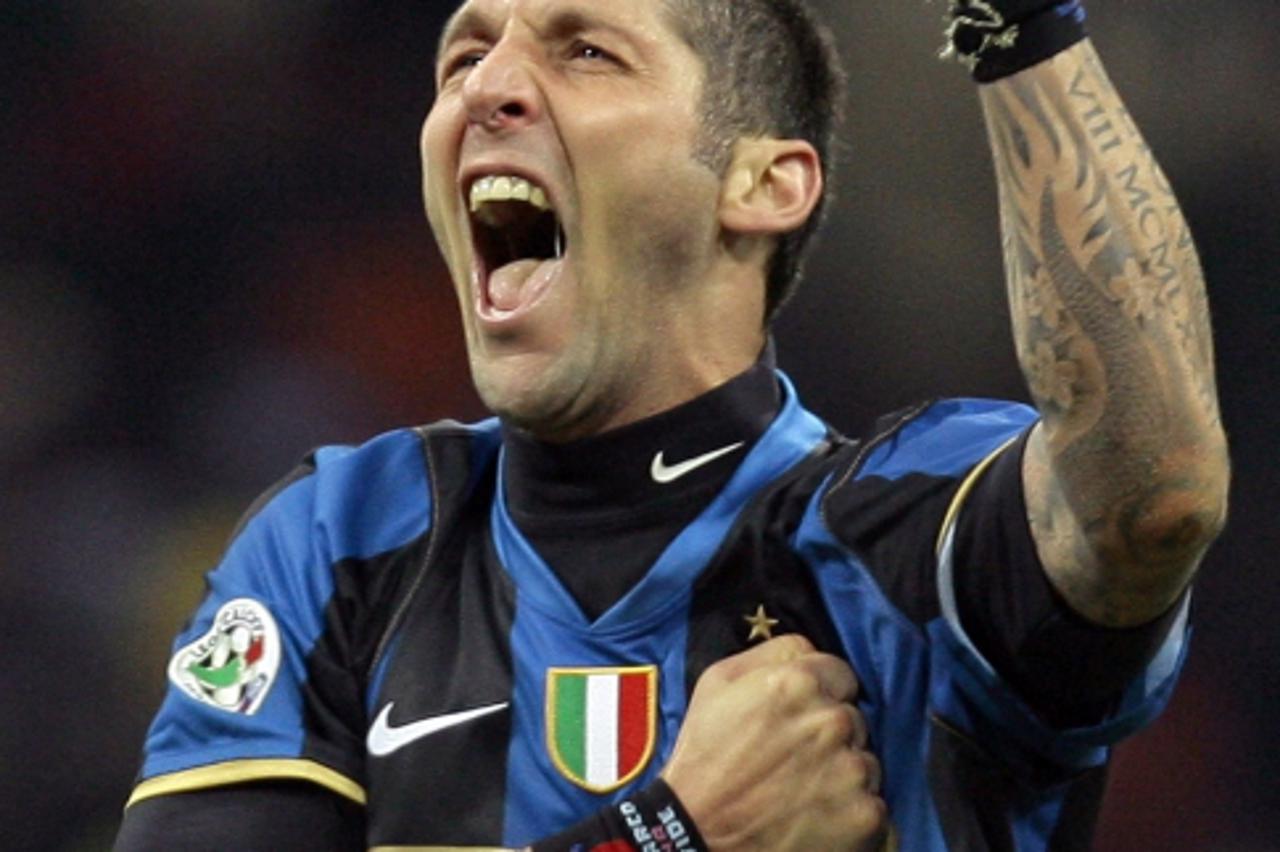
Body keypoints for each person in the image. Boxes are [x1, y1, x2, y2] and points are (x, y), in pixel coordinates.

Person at [114, 0, 1230, 849]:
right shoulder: (342, 541)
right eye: (464, 57)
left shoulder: (900, 527)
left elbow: (1155, 486)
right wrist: (670, 832)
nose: (485, 88)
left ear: (764, 184)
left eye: (585, 52)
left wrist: (1027, 27)